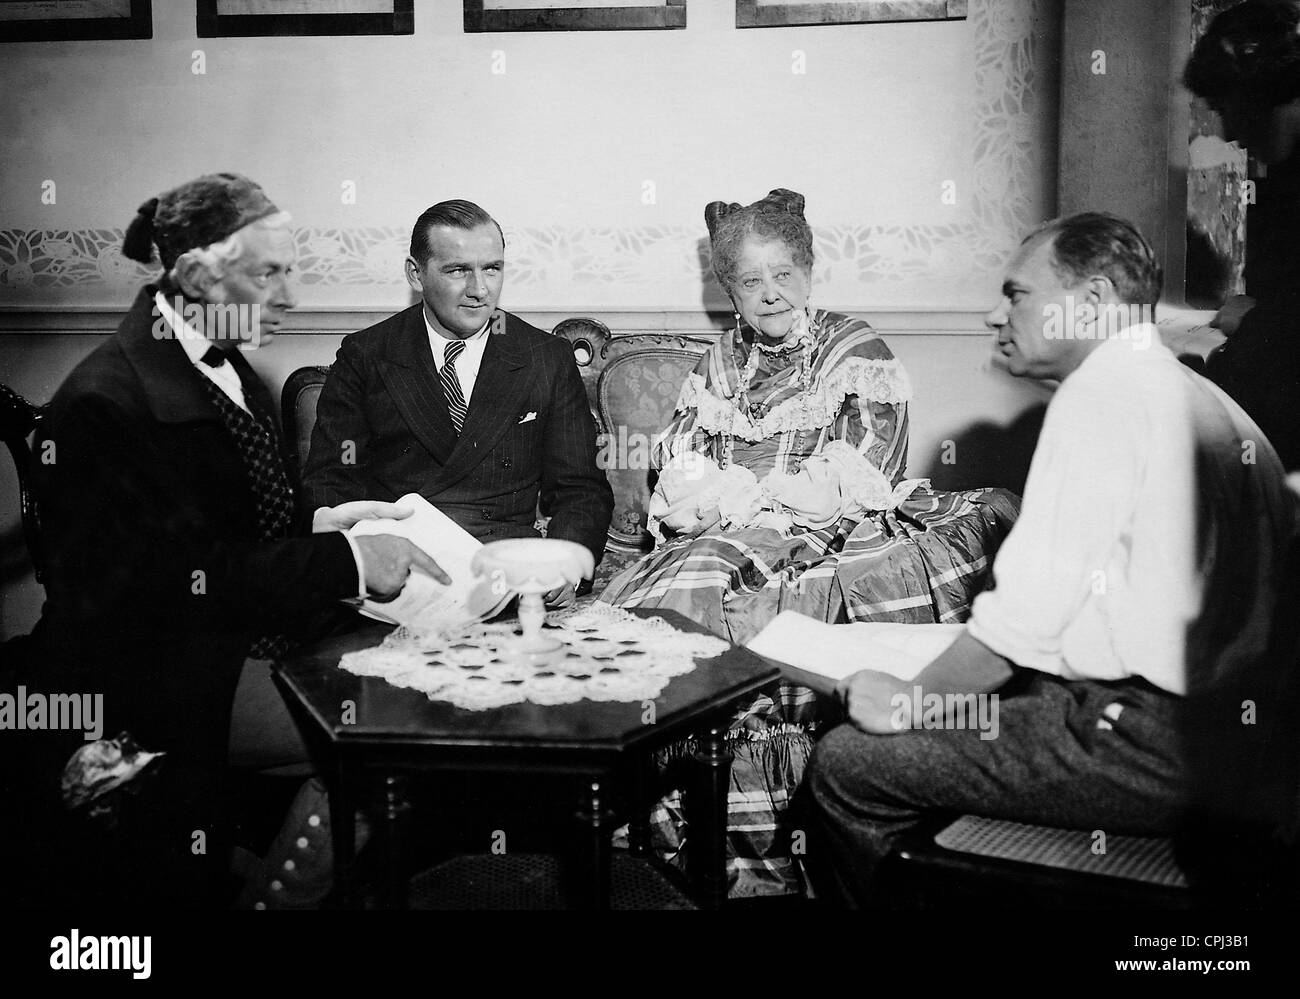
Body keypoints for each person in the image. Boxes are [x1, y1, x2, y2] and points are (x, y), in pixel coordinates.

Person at [801, 212, 1295, 907]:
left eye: (1017, 294)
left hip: (1151, 748)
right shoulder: (1202, 396)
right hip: (1244, 746)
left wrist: (909, 700)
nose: (992, 313)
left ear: (1091, 302)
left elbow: (1022, 625)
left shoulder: (1102, 395)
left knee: (846, 763)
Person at [16, 173, 444, 904]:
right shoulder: (103, 402)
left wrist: (318, 526)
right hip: (155, 682)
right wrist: (344, 560)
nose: (291, 297)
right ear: (196, 278)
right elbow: (170, 584)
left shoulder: (217, 356)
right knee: (402, 722)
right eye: (267, 274)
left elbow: (220, 527)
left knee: (430, 668)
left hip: (233, 640)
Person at [598, 189, 1019, 897]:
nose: (770, 294)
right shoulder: (716, 364)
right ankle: (662, 838)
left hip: (826, 532)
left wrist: (761, 502)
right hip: (721, 529)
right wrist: (717, 499)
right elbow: (680, 469)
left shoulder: (854, 347)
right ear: (729, 289)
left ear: (809, 271)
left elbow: (863, 472)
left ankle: (765, 861)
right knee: (670, 591)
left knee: (741, 596)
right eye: (751, 280)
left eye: (784, 274)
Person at [301, 200, 613, 605]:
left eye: (492, 268)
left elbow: (581, 489)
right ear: (416, 274)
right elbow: (331, 480)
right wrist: (356, 563)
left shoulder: (543, 356)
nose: (478, 290)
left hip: (511, 579)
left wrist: (564, 564)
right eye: (457, 270)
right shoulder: (367, 354)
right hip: (403, 576)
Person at [1185, 0, 1300, 469]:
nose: (1229, 132)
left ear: (1262, 89)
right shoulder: (1282, 181)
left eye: (1225, 106)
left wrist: (1251, 325)